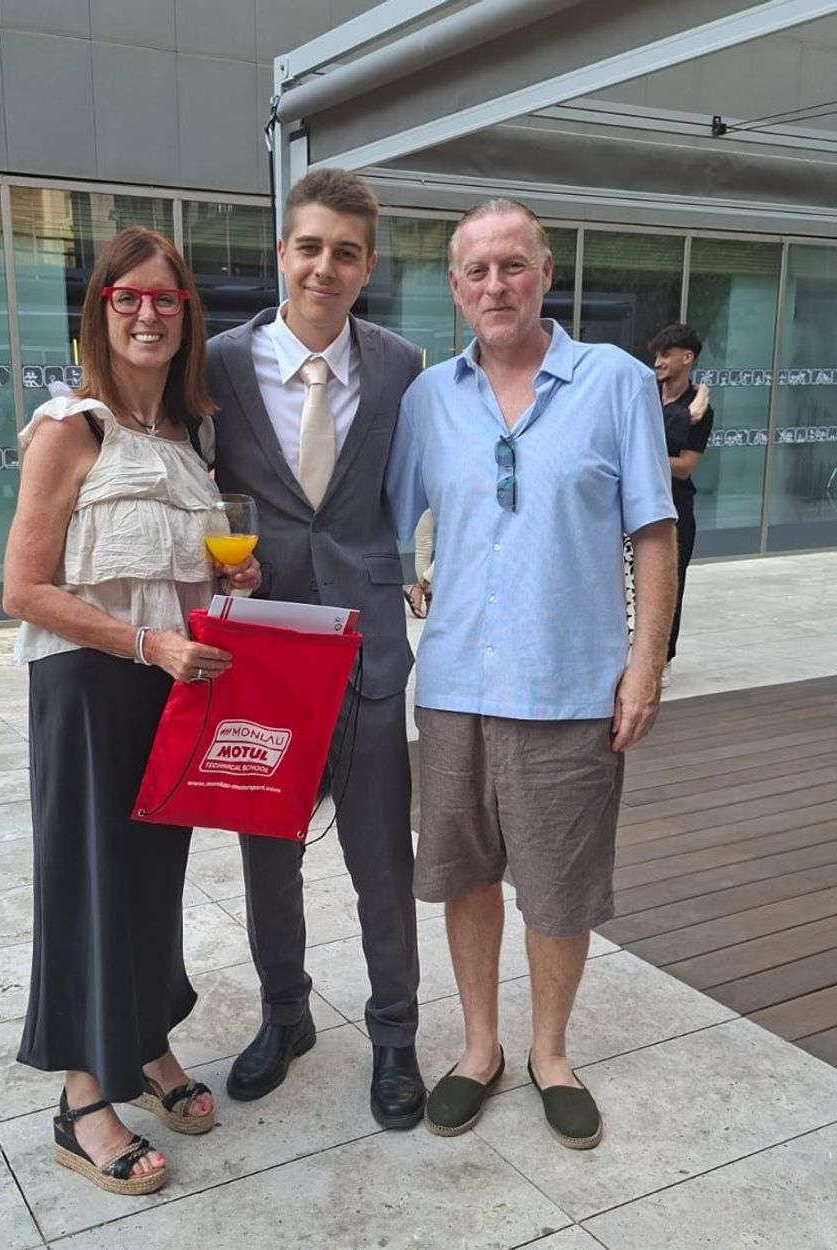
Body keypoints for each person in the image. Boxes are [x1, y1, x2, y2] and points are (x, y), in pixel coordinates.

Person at [385, 199, 677, 1149]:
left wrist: (644, 667)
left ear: (546, 271)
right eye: (476, 271)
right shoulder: (429, 399)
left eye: (513, 266)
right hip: (458, 684)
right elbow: (386, 525)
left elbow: (653, 533)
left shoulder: (616, 382)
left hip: (569, 684)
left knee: (557, 885)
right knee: (466, 876)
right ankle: (480, 1050)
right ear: (456, 287)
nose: (495, 285)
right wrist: (408, 584)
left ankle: (550, 1054)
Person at [2, 226, 259, 1195]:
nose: (147, 313)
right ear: (101, 309)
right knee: (87, 882)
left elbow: (173, 572)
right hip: (89, 684)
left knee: (155, 875)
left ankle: (146, 1044)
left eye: (165, 298)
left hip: (172, 684)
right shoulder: (71, 427)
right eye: (127, 297)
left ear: (185, 316)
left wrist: (230, 586)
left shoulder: (189, 436)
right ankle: (79, 1099)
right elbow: (23, 588)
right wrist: (150, 642)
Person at [206, 168, 426, 1129]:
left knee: (383, 859)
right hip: (264, 650)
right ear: (282, 252)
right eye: (310, 246)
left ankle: (395, 1037)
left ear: (366, 265)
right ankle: (284, 1015)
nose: (325, 266)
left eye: (346, 251)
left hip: (368, 647)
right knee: (268, 855)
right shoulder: (216, 365)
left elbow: (418, 488)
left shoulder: (401, 363)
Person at [650, 323, 714, 684]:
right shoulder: (644, 394)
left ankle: (664, 658)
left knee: (670, 581)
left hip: (674, 507)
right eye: (656, 355)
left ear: (686, 358)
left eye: (665, 355)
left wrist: (638, 457)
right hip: (632, 505)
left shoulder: (701, 408)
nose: (657, 362)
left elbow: (685, 467)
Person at [404, 509, 435, 618]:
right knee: (455, 543)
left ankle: (421, 591)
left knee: (423, 545)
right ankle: (426, 593)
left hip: (423, 494)